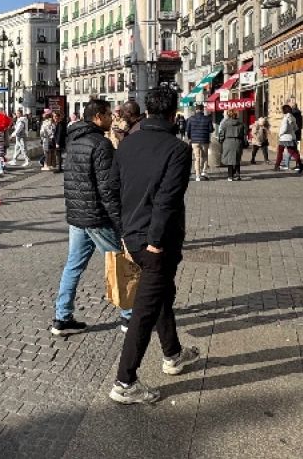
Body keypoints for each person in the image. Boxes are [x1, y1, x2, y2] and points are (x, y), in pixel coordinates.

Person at [109, 87, 199, 405]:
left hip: (132, 238)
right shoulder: (178, 150)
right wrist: (157, 242)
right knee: (144, 312)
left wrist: (122, 231)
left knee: (159, 297)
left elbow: (112, 191)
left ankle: (173, 353)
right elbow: (167, 200)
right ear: (173, 113)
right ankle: (125, 382)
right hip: (156, 243)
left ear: (147, 112)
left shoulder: (126, 144)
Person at [51, 98, 132, 336]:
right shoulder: (100, 144)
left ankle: (62, 317)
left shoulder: (73, 141)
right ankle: (129, 316)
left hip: (77, 216)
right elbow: (107, 188)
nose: (111, 118)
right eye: (108, 114)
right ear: (97, 116)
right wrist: (120, 221)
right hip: (97, 217)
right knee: (118, 263)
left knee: (73, 266)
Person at [273, 105, 303, 174]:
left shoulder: (285, 118)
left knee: (280, 152)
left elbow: (284, 128)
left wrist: (280, 134)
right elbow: (296, 128)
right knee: (293, 152)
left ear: (285, 110)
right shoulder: (293, 117)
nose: (282, 111)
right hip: (291, 137)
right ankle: (300, 165)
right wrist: (291, 131)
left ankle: (277, 166)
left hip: (284, 138)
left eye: (282, 109)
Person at [185, 104, 214, 181]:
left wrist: (190, 138)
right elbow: (211, 130)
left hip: (194, 141)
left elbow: (188, 130)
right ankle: (204, 172)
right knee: (204, 157)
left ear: (196, 110)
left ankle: (197, 176)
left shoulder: (191, 119)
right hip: (205, 140)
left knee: (197, 158)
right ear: (202, 109)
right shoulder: (207, 119)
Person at [216, 109, 246, 181]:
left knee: (230, 160)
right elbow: (243, 134)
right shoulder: (241, 124)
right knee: (237, 159)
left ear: (228, 114)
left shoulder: (224, 123)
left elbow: (221, 134)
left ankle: (230, 176)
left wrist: (220, 141)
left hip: (227, 142)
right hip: (238, 142)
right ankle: (237, 175)